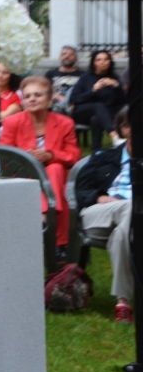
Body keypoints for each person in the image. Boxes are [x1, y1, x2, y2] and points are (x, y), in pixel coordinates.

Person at [0, 74, 80, 256]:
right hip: (23, 176)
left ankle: (43, 218)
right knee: (55, 176)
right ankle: (57, 241)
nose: (32, 99)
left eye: (38, 95)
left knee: (55, 169)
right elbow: (4, 156)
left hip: (55, 178)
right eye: (27, 96)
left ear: (50, 100)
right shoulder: (12, 122)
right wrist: (25, 159)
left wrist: (51, 155)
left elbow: (74, 156)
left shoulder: (65, 123)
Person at [76, 106, 133, 323]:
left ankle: (123, 303)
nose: (134, 128)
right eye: (128, 124)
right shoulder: (103, 156)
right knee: (128, 207)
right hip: (98, 215)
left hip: (132, 220)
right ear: (122, 128)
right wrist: (99, 197)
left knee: (121, 235)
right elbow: (80, 190)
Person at [69, 49, 127, 142]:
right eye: (98, 60)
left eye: (106, 59)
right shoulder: (85, 77)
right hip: (83, 112)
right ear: (94, 62)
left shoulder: (114, 78)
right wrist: (93, 90)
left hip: (105, 114)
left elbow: (123, 101)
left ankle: (96, 149)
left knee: (96, 119)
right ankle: (114, 136)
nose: (102, 62)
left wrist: (116, 86)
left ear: (110, 61)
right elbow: (74, 98)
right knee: (98, 106)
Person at [46, 45, 82, 114]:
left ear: (76, 59)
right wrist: (57, 96)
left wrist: (71, 101)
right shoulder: (51, 74)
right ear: (60, 58)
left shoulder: (82, 75)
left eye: (71, 54)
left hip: (75, 103)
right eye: (64, 54)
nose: (67, 56)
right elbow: (45, 89)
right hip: (55, 103)